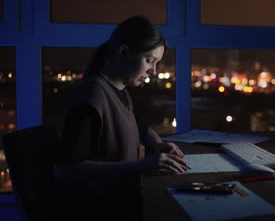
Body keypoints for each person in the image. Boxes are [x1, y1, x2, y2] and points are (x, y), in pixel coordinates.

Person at [54, 15, 187, 221]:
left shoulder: (118, 89)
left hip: (121, 201)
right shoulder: (92, 94)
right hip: (100, 211)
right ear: (124, 52)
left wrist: (158, 143)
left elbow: (136, 124)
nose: (153, 71)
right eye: (149, 60)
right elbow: (66, 169)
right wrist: (141, 166)